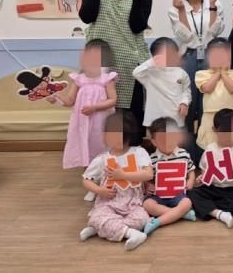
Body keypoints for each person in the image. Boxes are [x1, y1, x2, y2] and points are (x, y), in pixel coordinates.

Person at [79, 0, 151, 144]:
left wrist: (141, 1)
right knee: (98, 107)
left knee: (129, 112)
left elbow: (137, 27)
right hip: (100, 59)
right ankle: (99, 153)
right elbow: (86, 17)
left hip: (130, 60)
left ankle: (131, 153)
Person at [168, 0, 224, 147]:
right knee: (187, 102)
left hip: (209, 56)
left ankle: (206, 148)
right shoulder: (176, 6)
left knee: (207, 103)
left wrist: (213, 6)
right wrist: (181, 11)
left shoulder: (215, 3)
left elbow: (214, 32)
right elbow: (186, 37)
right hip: (188, 57)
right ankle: (186, 149)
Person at [79, 112, 152, 251]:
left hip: (134, 203)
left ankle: (102, 227)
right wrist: (100, 190)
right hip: (109, 202)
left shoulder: (139, 152)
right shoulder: (102, 159)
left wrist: (123, 174)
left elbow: (148, 174)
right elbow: (86, 180)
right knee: (97, 215)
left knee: (141, 219)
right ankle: (130, 233)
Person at [47, 39, 117, 171]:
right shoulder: (79, 78)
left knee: (100, 144)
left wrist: (95, 107)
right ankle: (89, 174)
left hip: (101, 120)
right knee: (85, 144)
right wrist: (56, 98)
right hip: (82, 121)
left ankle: (105, 173)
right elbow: (69, 100)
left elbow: (113, 100)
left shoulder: (107, 77)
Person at [189, 109, 233, 228]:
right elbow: (204, 170)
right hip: (212, 188)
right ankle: (218, 213)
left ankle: (209, 209)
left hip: (232, 190)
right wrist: (201, 179)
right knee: (192, 193)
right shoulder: (210, 149)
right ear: (215, 130)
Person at [142, 118, 197, 235]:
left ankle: (157, 222)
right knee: (147, 205)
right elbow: (146, 177)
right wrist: (147, 185)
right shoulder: (151, 159)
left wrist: (191, 180)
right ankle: (180, 214)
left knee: (187, 203)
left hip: (178, 194)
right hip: (158, 195)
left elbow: (191, 170)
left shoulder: (183, 154)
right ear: (154, 142)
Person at [194, 38, 233, 149]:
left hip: (230, 115)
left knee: (231, 145)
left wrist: (224, 74)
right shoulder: (202, 74)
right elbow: (207, 88)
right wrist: (217, 73)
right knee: (211, 146)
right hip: (210, 116)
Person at [132, 37, 191, 129]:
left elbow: (186, 91)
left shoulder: (181, 73)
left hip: (175, 115)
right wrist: (151, 62)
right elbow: (136, 73)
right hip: (155, 117)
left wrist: (184, 103)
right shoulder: (150, 72)